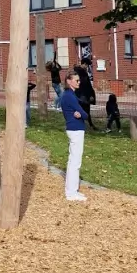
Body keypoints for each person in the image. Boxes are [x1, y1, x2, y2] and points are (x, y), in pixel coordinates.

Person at [60, 71, 88, 202]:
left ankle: (73, 190)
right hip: (75, 129)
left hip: (75, 128)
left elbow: (82, 113)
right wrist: (81, 114)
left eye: (79, 80)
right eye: (76, 80)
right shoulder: (69, 96)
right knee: (75, 162)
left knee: (74, 161)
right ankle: (71, 193)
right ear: (68, 81)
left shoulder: (70, 95)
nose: (79, 82)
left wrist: (81, 113)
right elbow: (85, 114)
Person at [75, 66, 98, 131]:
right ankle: (90, 125)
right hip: (84, 97)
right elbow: (89, 87)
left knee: (80, 111)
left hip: (79, 96)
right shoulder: (85, 77)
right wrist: (91, 95)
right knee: (86, 111)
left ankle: (84, 124)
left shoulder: (77, 78)